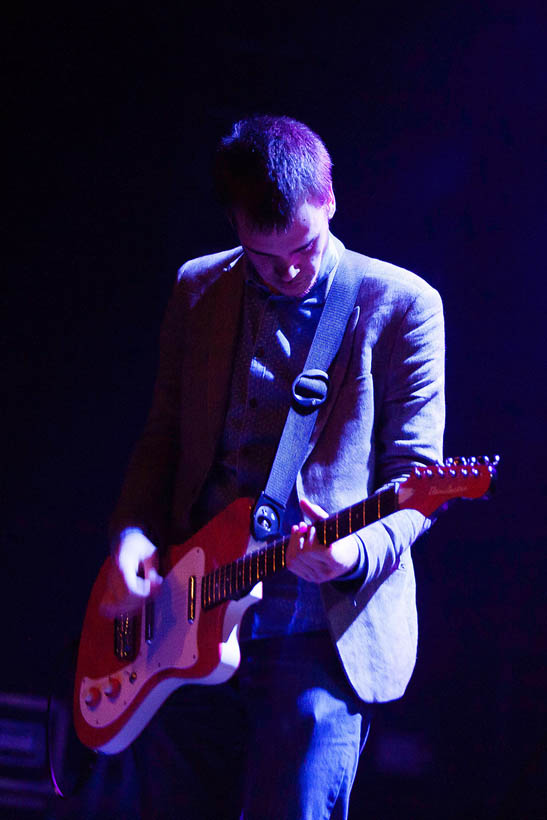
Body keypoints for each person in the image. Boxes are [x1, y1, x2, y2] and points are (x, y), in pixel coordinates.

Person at [107, 115, 445, 819]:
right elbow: (161, 438)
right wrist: (130, 538)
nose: (289, 270)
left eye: (304, 247)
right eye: (264, 257)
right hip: (184, 620)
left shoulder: (403, 305)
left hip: (318, 632)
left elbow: (415, 478)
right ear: (234, 224)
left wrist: (353, 552)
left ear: (330, 201)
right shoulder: (197, 288)